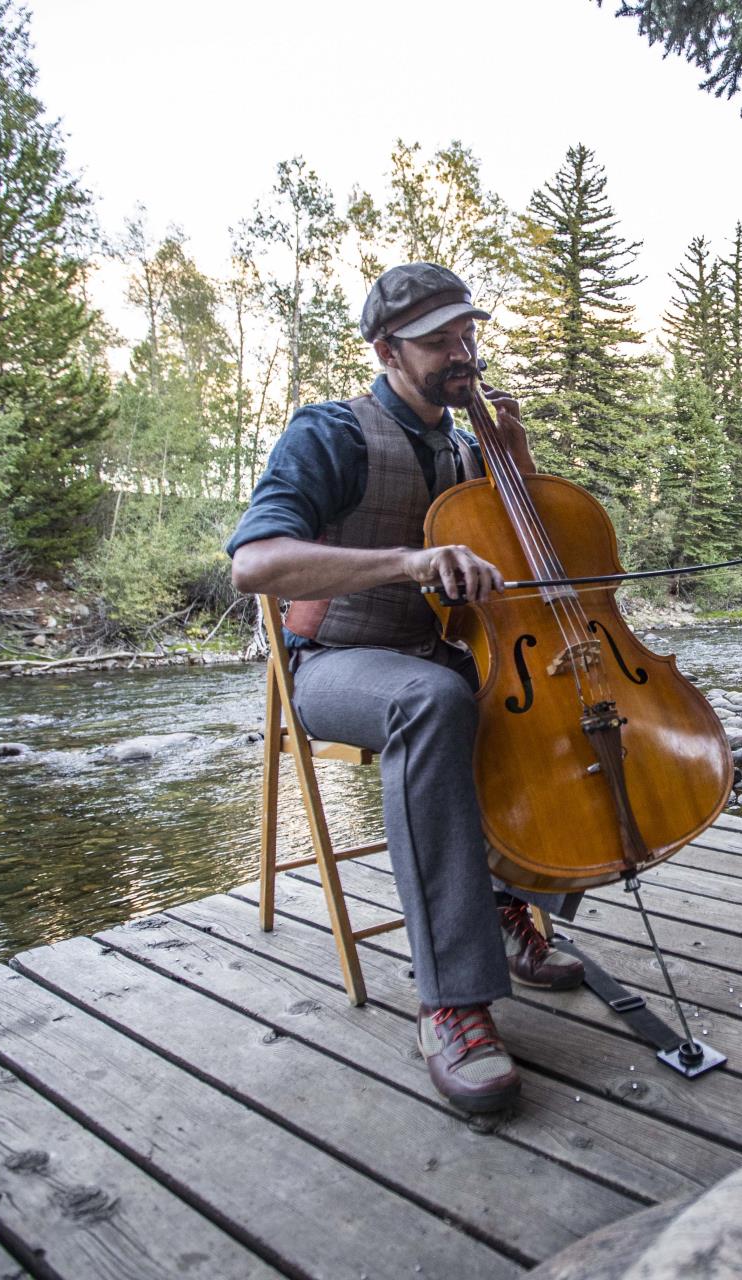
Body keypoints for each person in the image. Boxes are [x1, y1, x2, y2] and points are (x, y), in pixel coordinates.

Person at [227, 262, 583, 1113]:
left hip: (435, 654)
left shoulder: (468, 445)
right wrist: (408, 561)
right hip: (335, 665)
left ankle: (507, 901)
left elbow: (535, 562)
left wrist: (517, 463)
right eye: (439, 342)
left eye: (468, 334)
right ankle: (452, 1002)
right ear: (387, 351)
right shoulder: (330, 435)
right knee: (433, 701)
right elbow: (255, 564)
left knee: (556, 698)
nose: (463, 353)